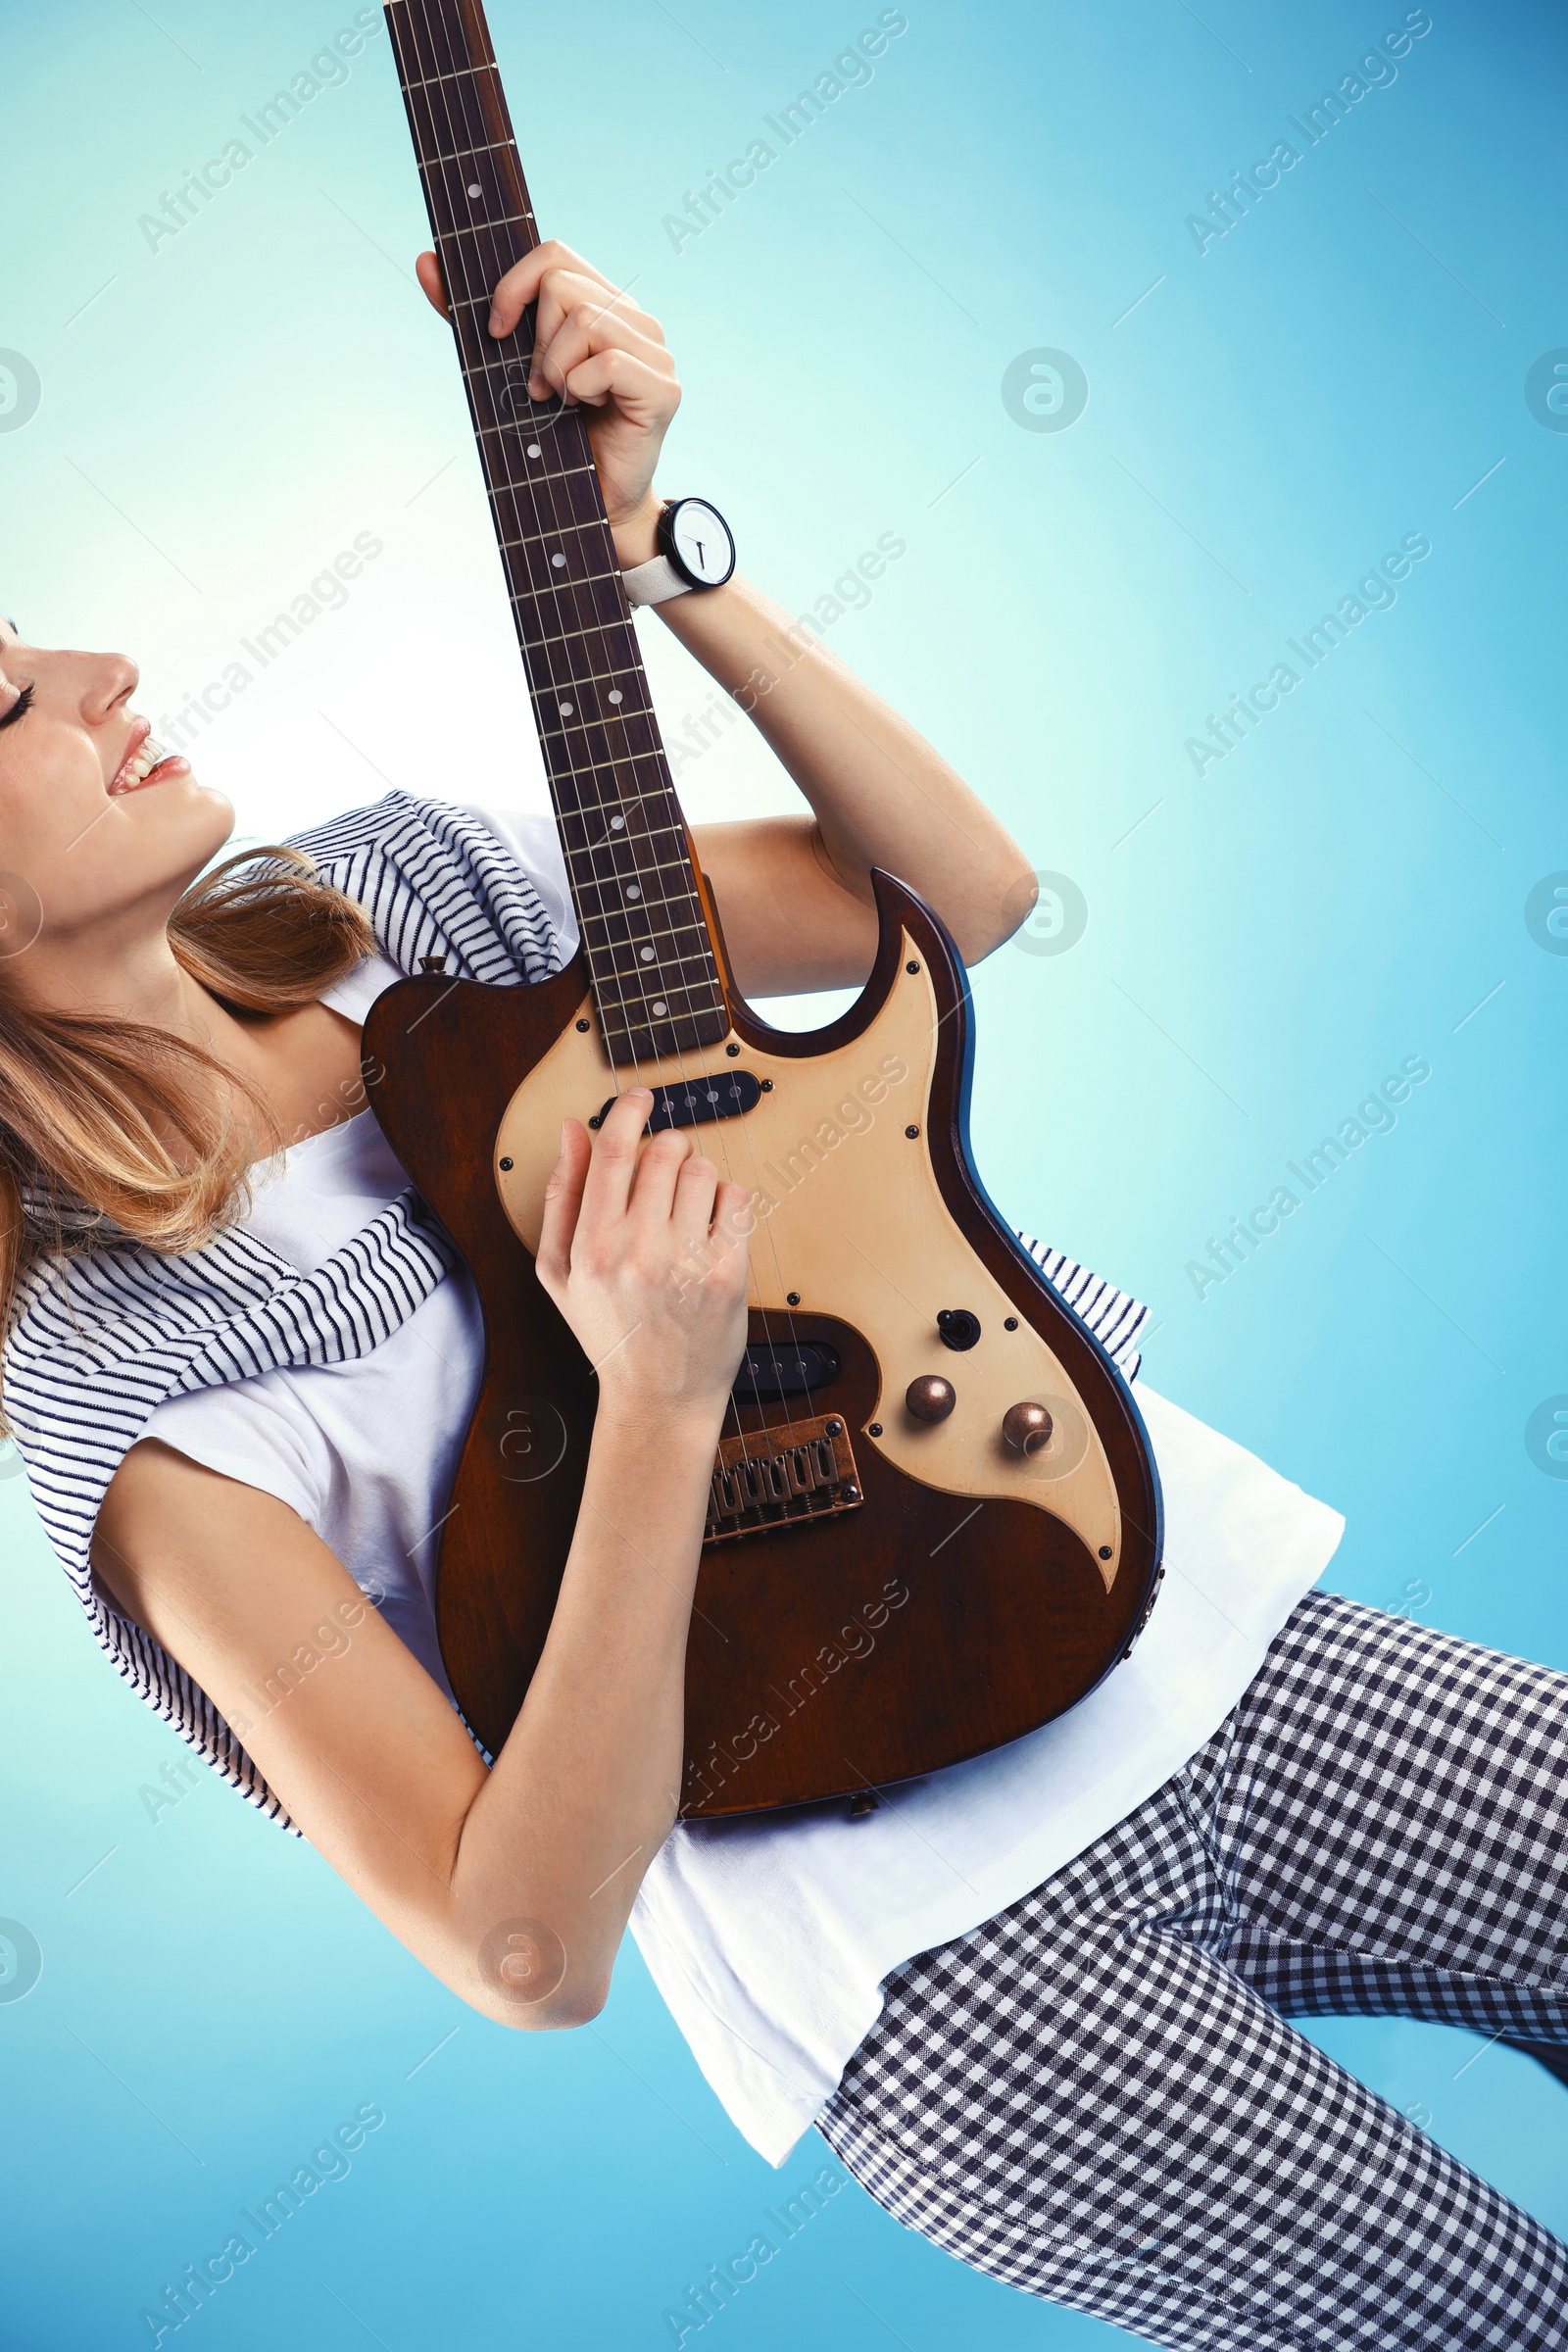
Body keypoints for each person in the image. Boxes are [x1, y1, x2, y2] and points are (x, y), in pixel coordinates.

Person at [2, 244, 1565, 2352]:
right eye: (12, 692)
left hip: (1198, 1634)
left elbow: (959, 893)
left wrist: (656, 558)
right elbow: (520, 1947)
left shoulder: (385, 901)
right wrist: (652, 1410)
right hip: (954, 1981)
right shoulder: (128, 1407)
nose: (101, 666)